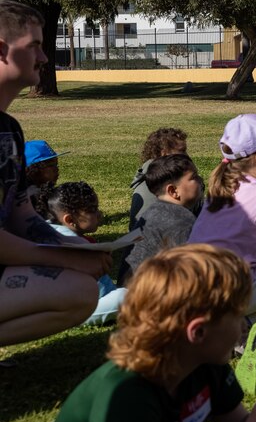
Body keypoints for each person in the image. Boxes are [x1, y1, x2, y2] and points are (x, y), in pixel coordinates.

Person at [40, 244, 256, 422]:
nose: (242, 327)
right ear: (198, 332)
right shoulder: (127, 393)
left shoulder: (205, 364)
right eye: (238, 315)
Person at [0, 0, 109, 346]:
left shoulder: (9, 130)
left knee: (80, 291)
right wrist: (63, 256)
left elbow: (21, 216)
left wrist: (74, 247)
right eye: (34, 46)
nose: (44, 58)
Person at [188, 114, 256, 323]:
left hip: (194, 287)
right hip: (224, 291)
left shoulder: (221, 189)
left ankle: (232, 327)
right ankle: (239, 328)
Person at [46, 182, 127, 326]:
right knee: (127, 296)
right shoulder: (69, 242)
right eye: (92, 210)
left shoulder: (49, 232)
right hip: (79, 310)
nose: (99, 214)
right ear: (70, 220)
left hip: (77, 303)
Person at [124, 154, 202, 281]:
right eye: (194, 177)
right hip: (152, 294)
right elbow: (189, 271)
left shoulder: (151, 213)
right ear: (173, 191)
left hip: (133, 292)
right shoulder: (180, 220)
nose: (200, 180)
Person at [129, 128, 202, 232]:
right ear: (164, 153)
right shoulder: (151, 188)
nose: (187, 156)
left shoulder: (175, 176)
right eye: (182, 151)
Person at [25, 139, 66, 220]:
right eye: (51, 165)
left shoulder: (43, 191)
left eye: (56, 164)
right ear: (33, 169)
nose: (56, 169)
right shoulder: (31, 196)